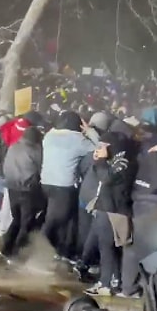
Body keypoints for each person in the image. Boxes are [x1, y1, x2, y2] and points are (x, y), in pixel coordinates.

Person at [78, 132, 134, 296]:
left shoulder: (122, 161)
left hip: (113, 209)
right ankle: (112, 280)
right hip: (104, 207)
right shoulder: (113, 159)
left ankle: (106, 284)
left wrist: (101, 161)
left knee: (107, 247)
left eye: (103, 146)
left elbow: (106, 178)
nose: (99, 148)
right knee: (103, 244)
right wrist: (98, 160)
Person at [40, 111, 99, 262]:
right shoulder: (78, 139)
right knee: (57, 219)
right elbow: (100, 147)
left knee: (66, 218)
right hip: (64, 186)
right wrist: (89, 131)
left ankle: (63, 251)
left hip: (46, 183)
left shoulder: (49, 136)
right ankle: (39, 250)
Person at [0, 127, 43, 260]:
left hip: (12, 187)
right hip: (27, 189)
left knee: (16, 219)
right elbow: (40, 168)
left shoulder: (13, 147)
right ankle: (17, 252)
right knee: (26, 222)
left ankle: (6, 248)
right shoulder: (35, 150)